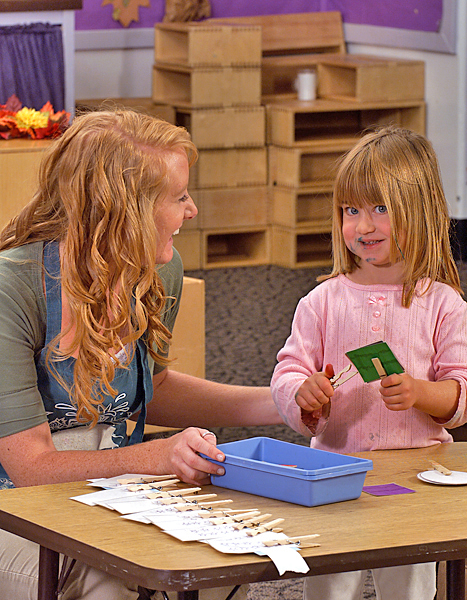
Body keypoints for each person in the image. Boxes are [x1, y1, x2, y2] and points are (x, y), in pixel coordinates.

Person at [0, 109, 282, 599]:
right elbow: (31, 470)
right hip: (17, 511)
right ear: (125, 210)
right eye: (178, 197)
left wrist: (281, 403)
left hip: (110, 498)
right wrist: (152, 459)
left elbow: (154, 387)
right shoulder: (11, 289)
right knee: (115, 575)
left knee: (225, 561)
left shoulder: (156, 274)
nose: (191, 210)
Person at [271, 126, 467, 600]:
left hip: (418, 477)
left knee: (412, 588)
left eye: (381, 209)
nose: (363, 226)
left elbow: (461, 390)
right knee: (328, 586)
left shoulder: (443, 304)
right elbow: (288, 371)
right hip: (335, 473)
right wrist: (302, 394)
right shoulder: (320, 301)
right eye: (351, 210)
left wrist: (422, 393)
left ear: (418, 213)